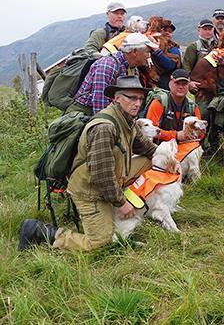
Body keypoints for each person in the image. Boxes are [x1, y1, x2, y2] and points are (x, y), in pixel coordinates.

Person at [18, 76, 158, 251]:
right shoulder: (104, 127)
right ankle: (40, 231)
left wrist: (168, 161)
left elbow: (146, 147)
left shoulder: (128, 120)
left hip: (112, 180)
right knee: (100, 242)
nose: (137, 103)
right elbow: (102, 175)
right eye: (132, 98)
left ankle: (151, 201)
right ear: (117, 98)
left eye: (140, 99)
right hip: (91, 190)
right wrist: (122, 203)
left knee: (152, 161)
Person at [68, 33, 158, 116]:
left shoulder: (132, 69)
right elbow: (100, 102)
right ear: (134, 52)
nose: (148, 56)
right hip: (85, 113)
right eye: (147, 52)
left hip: (109, 111)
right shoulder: (108, 65)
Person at [145, 69, 202, 142]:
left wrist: (196, 134)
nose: (181, 87)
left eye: (184, 84)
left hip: (185, 145)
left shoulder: (193, 107)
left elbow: (200, 131)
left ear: (188, 86)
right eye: (177, 83)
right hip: (161, 146)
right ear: (170, 84)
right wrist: (176, 135)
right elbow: (150, 131)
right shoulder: (159, 102)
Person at [150, 20, 181, 89]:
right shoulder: (150, 44)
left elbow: (170, 65)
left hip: (165, 83)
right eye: (164, 30)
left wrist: (157, 51)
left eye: (170, 32)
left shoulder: (174, 49)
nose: (167, 33)